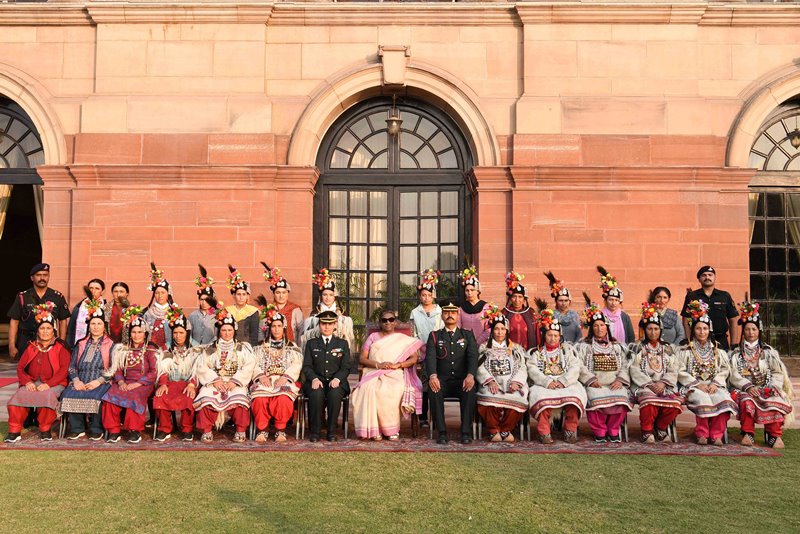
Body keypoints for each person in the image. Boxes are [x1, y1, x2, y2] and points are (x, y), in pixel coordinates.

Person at [728, 296, 794, 448]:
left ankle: (774, 435)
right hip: (744, 389)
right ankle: (747, 433)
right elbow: (734, 375)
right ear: (743, 331)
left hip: (766, 387)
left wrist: (771, 386)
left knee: (776, 400)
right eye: (747, 329)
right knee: (746, 401)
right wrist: (749, 387)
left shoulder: (769, 352)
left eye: (754, 329)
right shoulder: (735, 353)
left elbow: (777, 372)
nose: (751, 332)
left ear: (759, 330)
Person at [351, 308, 423, 440]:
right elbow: (362, 359)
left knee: (393, 389)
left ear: (395, 322)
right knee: (368, 389)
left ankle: (391, 429)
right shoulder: (373, 337)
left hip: (395, 372)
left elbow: (414, 358)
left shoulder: (403, 339)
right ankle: (375, 429)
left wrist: (398, 365)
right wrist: (379, 365)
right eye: (384, 320)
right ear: (380, 323)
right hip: (374, 371)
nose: (387, 322)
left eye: (391, 320)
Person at [4, 303, 71, 443]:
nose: (45, 331)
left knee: (46, 396)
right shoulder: (31, 346)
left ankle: (45, 429)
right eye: (42, 328)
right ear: (38, 331)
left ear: (54, 331)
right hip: (33, 382)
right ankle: (14, 431)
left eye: (48, 328)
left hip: (55, 383)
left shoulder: (61, 347)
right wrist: (27, 382)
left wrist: (48, 384)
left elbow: (64, 370)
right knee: (18, 397)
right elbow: (20, 368)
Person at [677, 301, 737, 446]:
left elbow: (724, 369)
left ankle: (716, 434)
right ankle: (702, 433)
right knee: (703, 399)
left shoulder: (718, 350)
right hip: (695, 386)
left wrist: (716, 383)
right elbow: (679, 371)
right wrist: (697, 384)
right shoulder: (686, 350)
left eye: (705, 328)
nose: (702, 332)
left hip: (714, 386)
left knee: (723, 399)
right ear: (693, 330)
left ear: (709, 330)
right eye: (698, 329)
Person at [193, 307, 256, 443]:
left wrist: (235, 381)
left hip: (235, 382)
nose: (227, 333)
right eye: (224, 330)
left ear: (234, 331)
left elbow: (249, 366)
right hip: (215, 382)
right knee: (205, 396)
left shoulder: (243, 348)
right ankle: (207, 430)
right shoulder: (211, 348)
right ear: (219, 331)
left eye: (229, 330)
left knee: (240, 399)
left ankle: (240, 430)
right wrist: (215, 380)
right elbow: (202, 366)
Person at [576, 294, 632, 443]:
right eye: (595, 325)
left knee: (622, 398)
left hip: (614, 382)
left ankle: (613, 429)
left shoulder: (617, 346)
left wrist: (621, 380)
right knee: (594, 398)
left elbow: (626, 364)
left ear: (607, 327)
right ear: (591, 328)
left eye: (602, 325)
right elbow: (579, 365)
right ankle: (600, 431)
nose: (599, 328)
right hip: (595, 383)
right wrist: (590, 380)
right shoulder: (584, 346)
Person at [527, 308, 586, 444]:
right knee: (540, 396)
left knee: (575, 396)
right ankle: (544, 432)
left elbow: (574, 367)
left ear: (560, 337)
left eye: (555, 335)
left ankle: (570, 430)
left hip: (565, 383)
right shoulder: (536, 353)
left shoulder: (567, 351)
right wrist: (547, 382)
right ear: (544, 336)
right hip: (544, 384)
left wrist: (563, 381)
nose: (552, 338)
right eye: (549, 335)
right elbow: (532, 369)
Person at [60, 301, 116, 441]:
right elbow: (72, 366)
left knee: (96, 396)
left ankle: (96, 428)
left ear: (104, 327)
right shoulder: (81, 343)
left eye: (99, 324)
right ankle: (77, 428)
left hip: (101, 380)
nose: (96, 327)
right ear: (89, 326)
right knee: (69, 393)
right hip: (81, 378)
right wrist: (76, 380)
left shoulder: (111, 344)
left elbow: (113, 368)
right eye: (93, 324)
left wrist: (98, 381)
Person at [101, 308, 158, 443]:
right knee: (110, 397)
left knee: (135, 396)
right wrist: (121, 382)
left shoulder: (150, 349)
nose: (136, 335)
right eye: (134, 332)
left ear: (145, 334)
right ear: (129, 333)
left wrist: (137, 384)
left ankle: (134, 430)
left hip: (143, 383)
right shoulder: (122, 349)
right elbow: (118, 368)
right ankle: (113, 430)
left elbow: (153, 372)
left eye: (139, 332)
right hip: (125, 381)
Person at [628, 302, 683, 443]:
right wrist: (650, 384)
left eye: (656, 329)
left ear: (661, 330)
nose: (653, 332)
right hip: (645, 385)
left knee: (675, 403)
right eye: (650, 329)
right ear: (645, 330)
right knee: (649, 401)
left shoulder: (669, 348)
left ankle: (661, 427)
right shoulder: (637, 347)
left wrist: (663, 383)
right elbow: (634, 368)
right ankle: (647, 431)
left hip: (664, 385)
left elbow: (673, 368)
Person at [426, 301, 478, 445]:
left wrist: (470, 375)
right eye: (447, 312)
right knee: (433, 389)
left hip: (462, 380)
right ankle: (442, 432)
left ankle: (465, 432)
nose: (450, 315)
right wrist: (433, 376)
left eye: (453, 312)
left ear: (458, 314)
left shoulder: (467, 335)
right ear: (442, 316)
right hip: (442, 380)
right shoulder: (435, 336)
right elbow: (430, 358)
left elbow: (473, 357)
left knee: (470, 389)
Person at [250, 304, 303, 443]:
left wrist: (285, 377)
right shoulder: (260, 347)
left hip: (283, 381)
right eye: (273, 326)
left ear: (284, 327)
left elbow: (296, 364)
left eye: (279, 326)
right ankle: (262, 430)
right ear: (269, 328)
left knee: (283, 398)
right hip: (264, 380)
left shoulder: (292, 347)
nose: (276, 329)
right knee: (259, 398)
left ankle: (280, 430)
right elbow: (253, 364)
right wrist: (261, 376)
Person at [475, 306, 528, 443]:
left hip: (511, 383)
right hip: (491, 383)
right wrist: (490, 381)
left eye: (502, 329)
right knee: (487, 397)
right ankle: (493, 430)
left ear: (507, 330)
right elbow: (479, 367)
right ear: (492, 331)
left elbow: (522, 367)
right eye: (496, 329)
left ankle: (506, 429)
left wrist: (516, 382)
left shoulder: (515, 348)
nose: (499, 332)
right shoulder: (484, 347)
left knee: (518, 398)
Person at [302, 310, 353, 442]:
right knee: (316, 393)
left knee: (334, 394)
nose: (326, 327)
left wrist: (337, 378)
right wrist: (313, 378)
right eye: (323, 323)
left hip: (336, 381)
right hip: (316, 380)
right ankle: (315, 432)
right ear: (319, 325)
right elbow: (307, 366)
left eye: (330, 324)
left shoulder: (342, 344)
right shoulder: (311, 343)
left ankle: (331, 431)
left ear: (335, 325)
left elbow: (346, 366)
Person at [153, 307, 198, 442]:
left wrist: (192, 384)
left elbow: (198, 369)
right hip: (170, 383)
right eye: (175, 333)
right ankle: (165, 428)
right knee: (160, 396)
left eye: (181, 332)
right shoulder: (166, 348)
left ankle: (186, 429)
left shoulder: (195, 347)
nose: (178, 336)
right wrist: (163, 384)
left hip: (188, 383)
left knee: (188, 397)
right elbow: (162, 369)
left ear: (187, 332)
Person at [7, 263, 70, 360]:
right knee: (26, 372)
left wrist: (61, 343)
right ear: (32, 278)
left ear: (48, 277)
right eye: (38, 275)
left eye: (45, 275)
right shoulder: (23, 297)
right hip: (27, 342)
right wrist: (11, 345)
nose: (42, 278)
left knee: (49, 371)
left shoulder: (57, 297)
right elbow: (14, 321)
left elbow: (63, 321)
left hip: (50, 342)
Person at [409, 268, 442, 429]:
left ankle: (437, 417)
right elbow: (413, 333)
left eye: (429, 295)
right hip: (421, 351)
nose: (426, 297)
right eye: (423, 295)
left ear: (433, 295)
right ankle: (423, 417)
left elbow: (442, 331)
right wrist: (418, 350)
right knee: (423, 385)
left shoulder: (440, 311)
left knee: (436, 383)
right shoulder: (415, 312)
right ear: (419, 296)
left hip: (437, 352)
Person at [681, 266, 738, 350]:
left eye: (710, 275)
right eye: (704, 275)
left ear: (715, 277)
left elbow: (733, 320)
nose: (707, 277)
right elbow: (686, 320)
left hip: (721, 340)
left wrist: (734, 344)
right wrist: (689, 341)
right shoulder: (692, 296)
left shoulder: (724, 296)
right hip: (699, 341)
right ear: (699, 279)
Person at [299, 268, 355, 352]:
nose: (328, 298)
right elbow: (306, 336)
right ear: (321, 296)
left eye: (330, 295)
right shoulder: (315, 313)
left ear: (334, 297)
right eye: (325, 295)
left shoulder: (342, 314)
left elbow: (348, 336)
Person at [262, 262, 304, 343]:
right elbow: (262, 331)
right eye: (278, 293)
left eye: (284, 293)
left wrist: (298, 349)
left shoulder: (295, 310)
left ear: (288, 293)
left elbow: (301, 332)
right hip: (270, 348)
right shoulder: (268, 310)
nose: (281, 296)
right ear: (274, 294)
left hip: (291, 347)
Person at [596, 266, 634, 345]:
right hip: (603, 351)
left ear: (620, 302)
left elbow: (631, 337)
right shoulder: (599, 315)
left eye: (616, 300)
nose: (613, 303)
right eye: (611, 300)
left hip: (622, 352)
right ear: (606, 301)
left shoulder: (624, 317)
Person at [225, 264, 260, 347]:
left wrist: (251, 349)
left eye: (244, 294)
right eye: (238, 294)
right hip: (230, 347)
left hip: (246, 347)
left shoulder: (253, 311)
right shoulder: (227, 310)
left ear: (247, 296)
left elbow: (254, 334)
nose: (241, 297)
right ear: (234, 295)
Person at [142, 262, 175, 351]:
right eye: (157, 293)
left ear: (168, 294)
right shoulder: (147, 312)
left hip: (168, 351)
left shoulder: (174, 313)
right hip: (150, 350)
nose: (160, 296)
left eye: (163, 293)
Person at [543, 271, 582, 344]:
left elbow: (579, 335)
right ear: (556, 301)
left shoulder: (575, 315)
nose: (563, 303)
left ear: (569, 301)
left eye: (566, 300)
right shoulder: (551, 316)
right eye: (561, 300)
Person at [502, 271, 537, 350]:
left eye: (520, 297)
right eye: (514, 296)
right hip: (509, 352)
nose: (517, 300)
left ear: (524, 299)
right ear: (510, 298)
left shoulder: (530, 314)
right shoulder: (504, 313)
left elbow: (536, 333)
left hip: (527, 352)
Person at [66, 279, 106, 348]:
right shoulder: (79, 306)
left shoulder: (106, 307)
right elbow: (71, 327)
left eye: (97, 288)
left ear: (102, 291)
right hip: (79, 345)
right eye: (91, 288)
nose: (93, 291)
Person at [456, 264, 488, 345]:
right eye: (467, 290)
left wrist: (477, 342)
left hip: (482, 345)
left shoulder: (486, 307)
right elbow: (458, 327)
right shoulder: (461, 308)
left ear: (478, 291)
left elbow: (488, 329)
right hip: (465, 345)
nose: (469, 293)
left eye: (472, 290)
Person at [189, 264, 218, 346]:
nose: (204, 302)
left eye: (207, 300)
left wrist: (209, 345)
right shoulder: (193, 315)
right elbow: (188, 333)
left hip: (211, 349)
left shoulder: (217, 315)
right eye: (201, 299)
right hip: (195, 349)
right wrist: (195, 345)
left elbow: (217, 334)